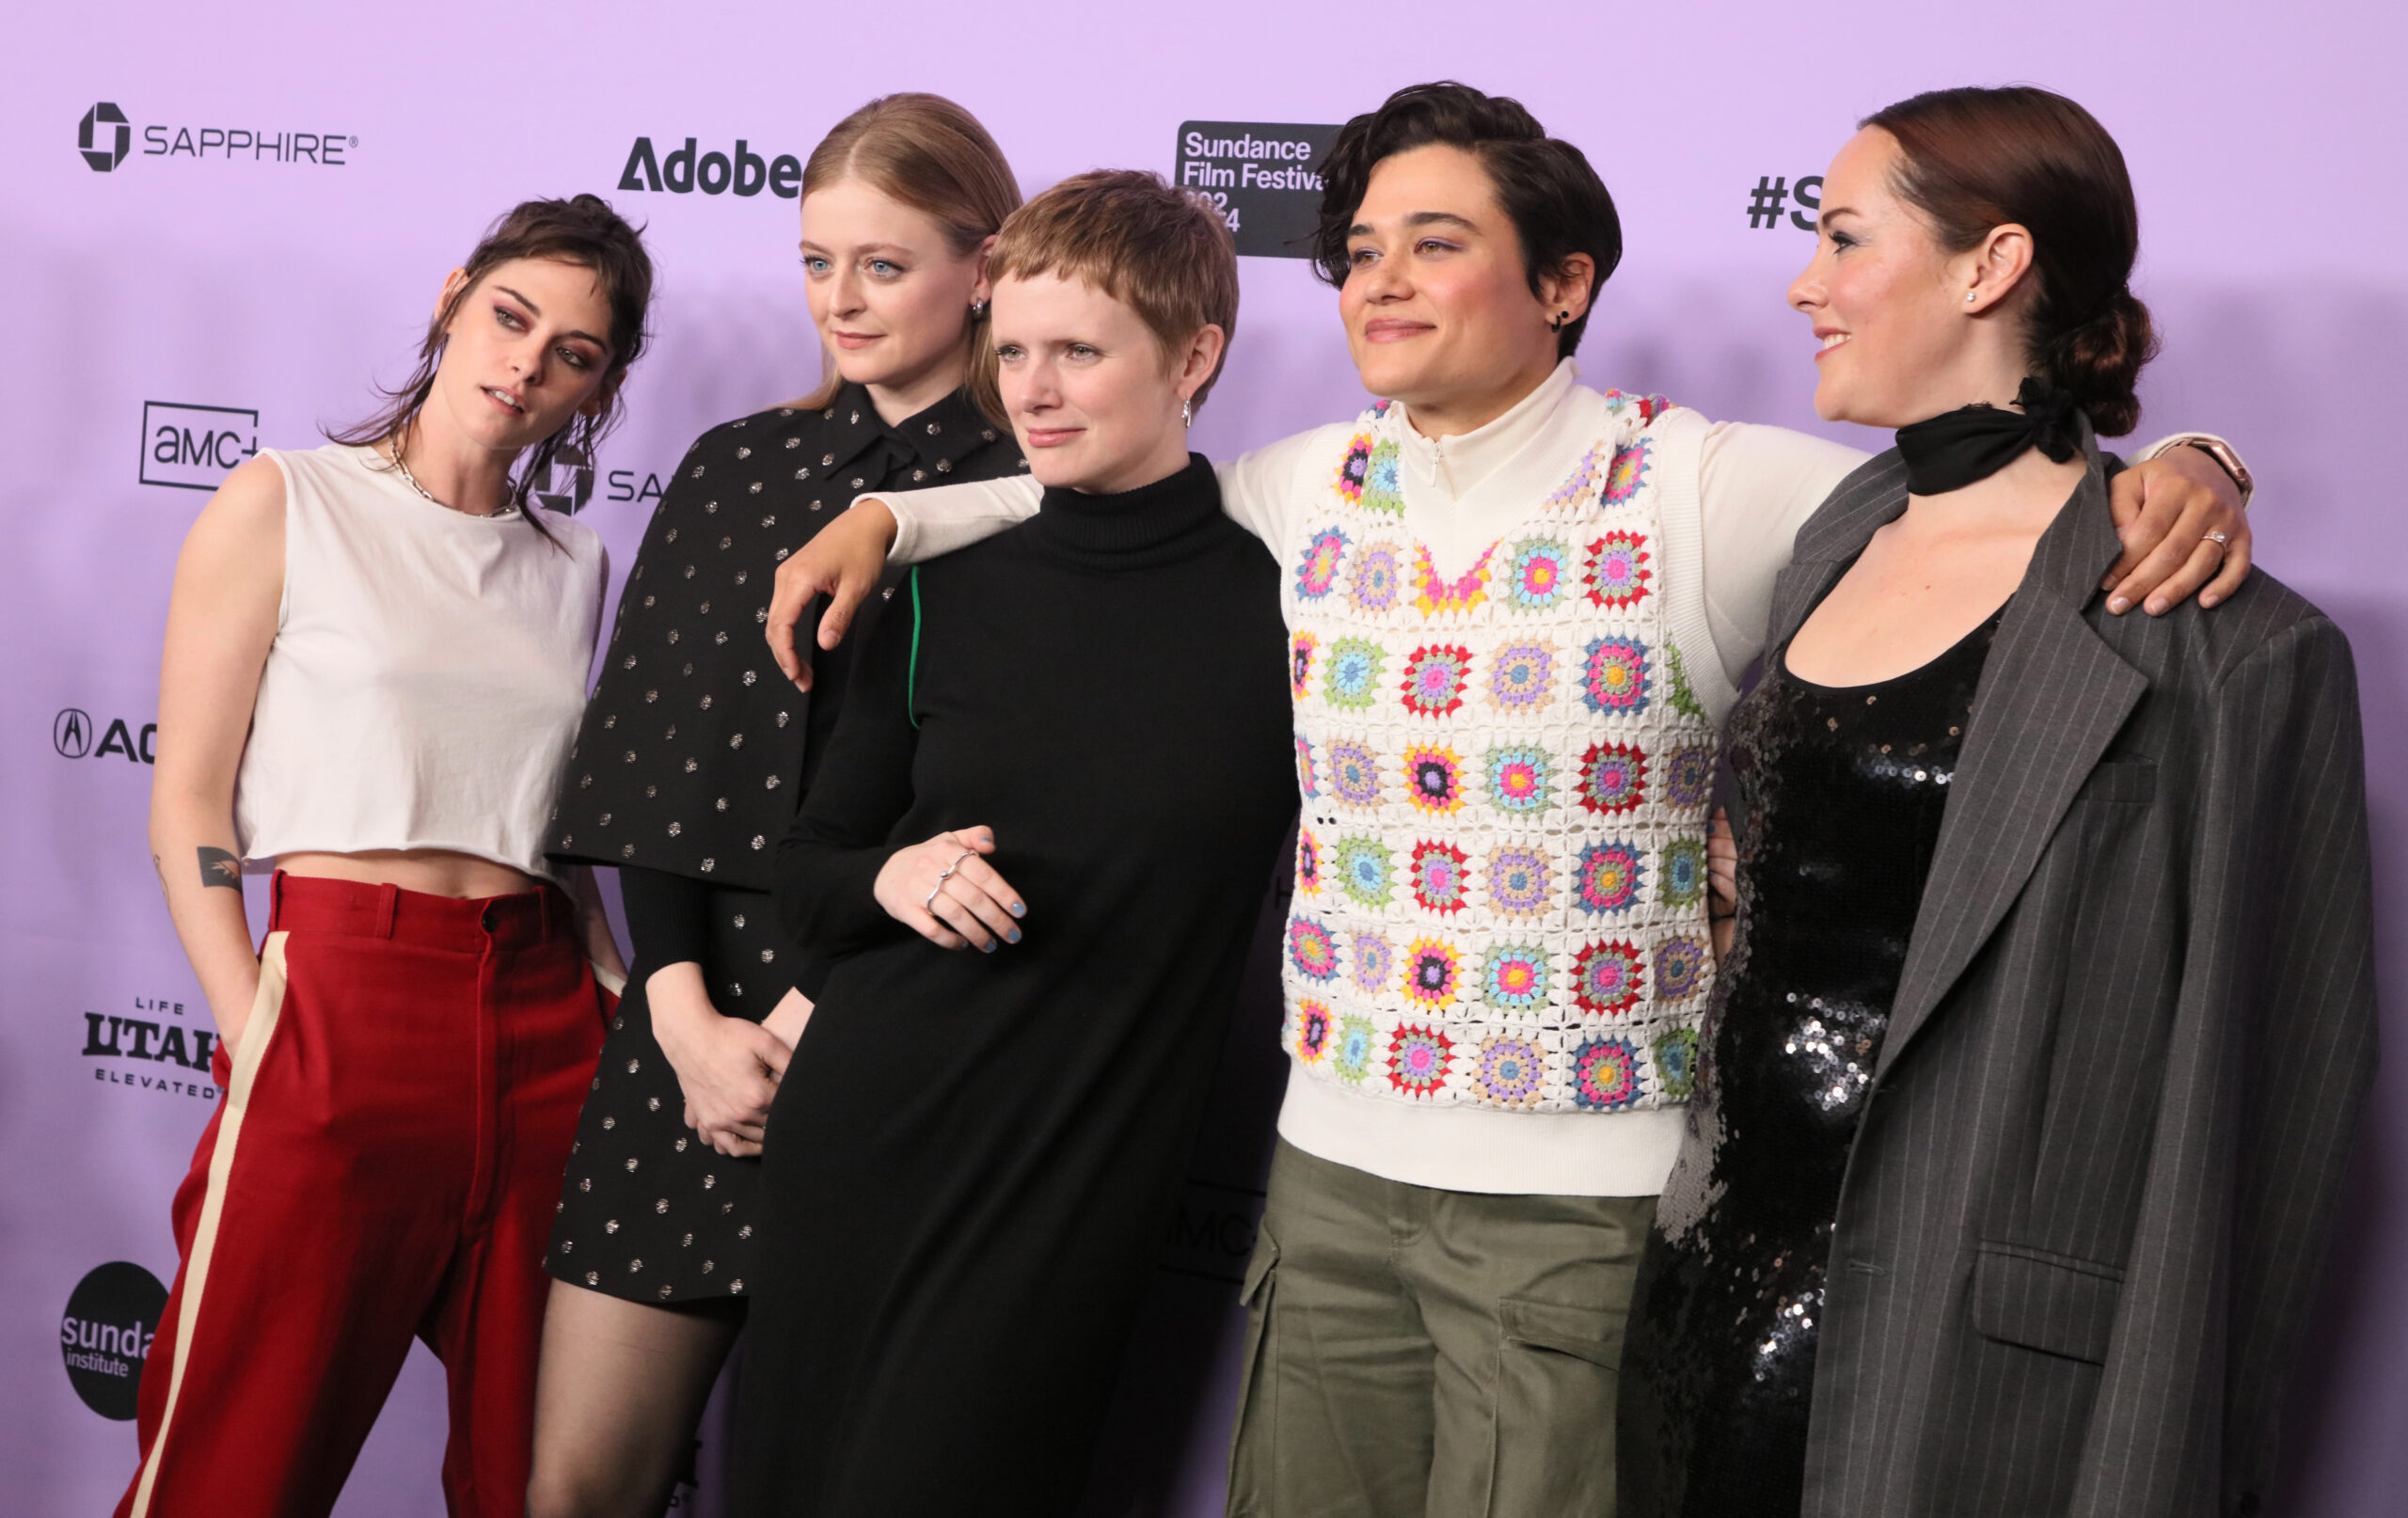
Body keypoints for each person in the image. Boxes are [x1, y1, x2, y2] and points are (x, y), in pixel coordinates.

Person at [764, 83, 2254, 1515]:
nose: (1381, 283)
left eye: (1436, 243)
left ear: (1563, 284)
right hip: (1328, 1174)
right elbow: (1093, 483)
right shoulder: (1301, 488)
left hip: (1578, 1209)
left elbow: (1970, 508)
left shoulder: (1695, 483)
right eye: (1357, 254)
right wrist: (893, 513)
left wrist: (2182, 460)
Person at [1615, 87, 2375, 1518]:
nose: (1802, 279)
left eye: (1844, 238)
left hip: (1970, 1376)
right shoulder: (1837, 533)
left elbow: (2266, 1132)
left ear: (1992, 264)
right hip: (1700, 1301)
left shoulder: (2231, 649)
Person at [732, 168, 1295, 1518]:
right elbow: (807, 883)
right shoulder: (937, 592)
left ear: (1194, 354)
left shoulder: (1288, 604)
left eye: (1080, 352)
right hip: (862, 1144)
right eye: (1016, 348)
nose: (1032, 389)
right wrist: (890, 872)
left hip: (1071, 1184)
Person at [528, 94, 1026, 1518]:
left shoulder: (1033, 488)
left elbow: (1000, 802)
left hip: (891, 1038)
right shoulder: (738, 467)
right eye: (818, 263)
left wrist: (808, 1020)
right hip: (686, 1045)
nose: (841, 300)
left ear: (982, 264)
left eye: (882, 263)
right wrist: (681, 1019)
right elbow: (647, 772)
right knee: (573, 1489)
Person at [126, 195, 652, 1518]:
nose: (526, 364)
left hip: (546, 1025)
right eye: (510, 316)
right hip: (342, 1002)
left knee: (532, 1480)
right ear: (453, 297)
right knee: (232, 1470)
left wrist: (615, 1001)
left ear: (597, 391)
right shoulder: (285, 500)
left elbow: (544, 825)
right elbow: (189, 791)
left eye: (574, 353)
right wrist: (254, 1023)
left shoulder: (574, 562)